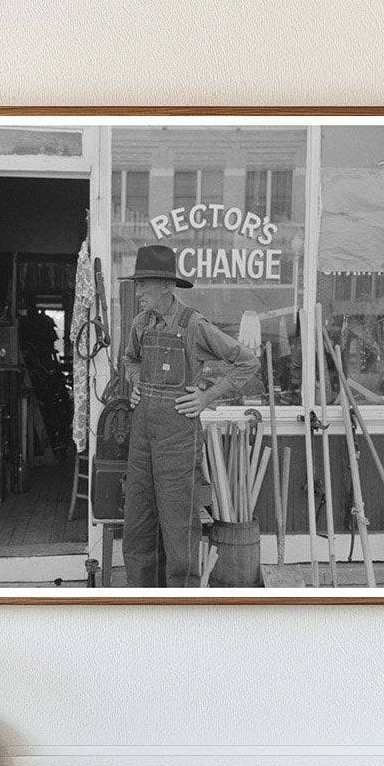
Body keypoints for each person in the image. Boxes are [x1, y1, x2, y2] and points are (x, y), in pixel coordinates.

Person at [122, 245, 258, 587]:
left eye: (145, 284)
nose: (137, 291)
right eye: (137, 284)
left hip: (177, 440)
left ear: (167, 286)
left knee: (178, 524)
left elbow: (247, 361)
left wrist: (207, 397)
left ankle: (180, 604)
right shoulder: (140, 324)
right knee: (138, 523)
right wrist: (136, 383)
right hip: (142, 438)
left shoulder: (194, 325)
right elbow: (130, 361)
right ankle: (142, 601)